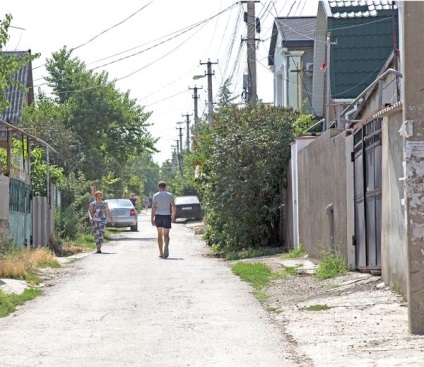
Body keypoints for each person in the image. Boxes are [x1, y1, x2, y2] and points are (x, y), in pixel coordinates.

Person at [151, 181, 176, 259]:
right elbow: (173, 206)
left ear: (158, 187)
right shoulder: (169, 195)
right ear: (165, 187)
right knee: (166, 234)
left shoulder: (155, 195)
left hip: (158, 216)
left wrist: (152, 218)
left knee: (159, 235)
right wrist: (173, 216)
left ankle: (161, 252)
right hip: (167, 216)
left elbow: (154, 207)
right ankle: (166, 246)